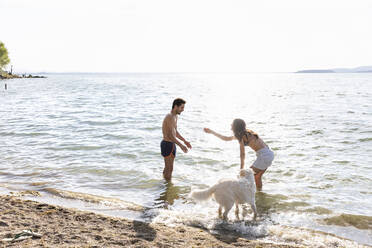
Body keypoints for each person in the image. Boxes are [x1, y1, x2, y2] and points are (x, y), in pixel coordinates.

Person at [204, 119, 274, 190]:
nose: (230, 125)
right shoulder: (248, 132)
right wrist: (212, 132)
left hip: (264, 156)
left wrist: (241, 169)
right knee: (257, 177)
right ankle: (260, 194)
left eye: (232, 124)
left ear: (236, 127)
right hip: (269, 153)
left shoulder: (241, 136)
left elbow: (242, 154)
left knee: (244, 176)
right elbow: (226, 138)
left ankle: (246, 195)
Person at [161, 98, 192, 181]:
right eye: (181, 107)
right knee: (169, 169)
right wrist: (181, 145)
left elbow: (175, 132)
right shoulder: (169, 117)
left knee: (169, 169)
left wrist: (184, 141)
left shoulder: (175, 116)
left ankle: (164, 185)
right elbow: (170, 135)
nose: (183, 110)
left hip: (172, 144)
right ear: (175, 106)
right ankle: (167, 189)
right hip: (167, 144)